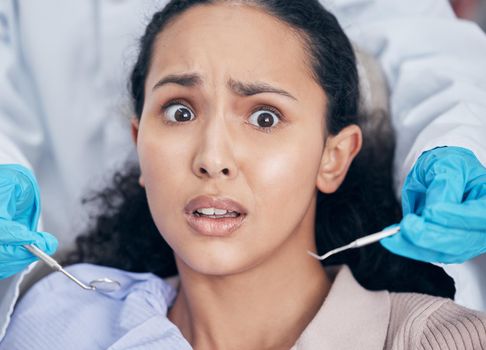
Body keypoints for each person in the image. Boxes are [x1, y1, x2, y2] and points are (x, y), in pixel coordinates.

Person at [2, 1, 485, 349]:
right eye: (179, 112)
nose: (212, 158)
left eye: (265, 117)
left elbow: (416, 37)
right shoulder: (53, 320)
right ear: (138, 146)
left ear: (333, 157)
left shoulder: (435, 339)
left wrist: (456, 141)